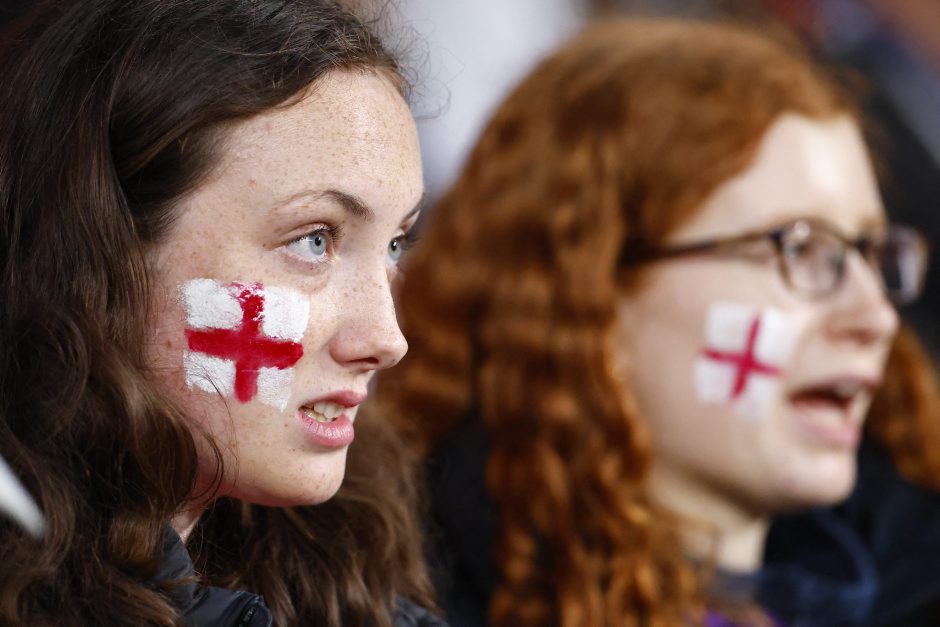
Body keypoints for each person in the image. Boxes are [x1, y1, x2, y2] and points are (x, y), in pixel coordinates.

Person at [376, 16, 929, 626]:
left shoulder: (911, 579)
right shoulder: (377, 597)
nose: (876, 316)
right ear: (592, 293)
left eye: (871, 252)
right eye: (801, 246)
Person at [0, 1, 441, 625]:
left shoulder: (346, 583)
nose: (387, 339)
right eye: (314, 239)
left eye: (395, 244)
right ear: (103, 250)